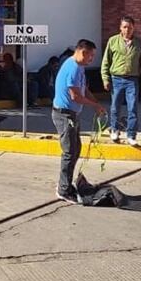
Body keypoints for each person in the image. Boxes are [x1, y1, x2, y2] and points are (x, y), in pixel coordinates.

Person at [52, 39, 105, 204]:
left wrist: (96, 102)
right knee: (69, 151)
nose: (92, 59)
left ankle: (66, 184)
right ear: (83, 52)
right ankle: (63, 189)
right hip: (64, 114)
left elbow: (84, 89)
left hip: (73, 114)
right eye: (91, 56)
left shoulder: (79, 67)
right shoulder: (73, 68)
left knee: (76, 149)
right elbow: (76, 96)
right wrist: (94, 105)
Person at [100, 16, 141, 146]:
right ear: (120, 28)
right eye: (125, 27)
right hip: (116, 78)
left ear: (134, 28)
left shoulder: (139, 43)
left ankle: (131, 135)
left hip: (132, 80)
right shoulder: (113, 41)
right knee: (115, 107)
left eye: (130, 27)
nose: (127, 30)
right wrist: (105, 78)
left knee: (132, 107)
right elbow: (106, 61)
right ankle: (115, 130)